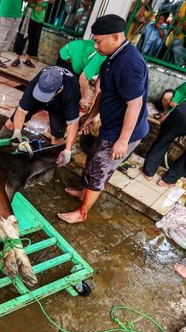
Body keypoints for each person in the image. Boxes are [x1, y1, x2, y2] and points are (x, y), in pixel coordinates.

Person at [58, 14, 149, 224]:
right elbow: (104, 91)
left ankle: (82, 213)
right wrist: (91, 116)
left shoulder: (130, 63)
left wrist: (123, 141)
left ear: (115, 37)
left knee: (100, 168)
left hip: (124, 131)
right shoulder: (112, 56)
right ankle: (84, 193)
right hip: (111, 125)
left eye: (99, 41)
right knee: (94, 159)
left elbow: (135, 105)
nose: (96, 46)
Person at [0, 66, 80, 154]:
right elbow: (21, 111)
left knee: (57, 136)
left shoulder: (71, 92)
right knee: (12, 122)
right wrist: (17, 130)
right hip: (35, 98)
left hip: (59, 106)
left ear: (59, 90)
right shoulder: (34, 84)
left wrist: (68, 150)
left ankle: (51, 159)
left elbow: (72, 123)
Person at [141, 81, 186, 187]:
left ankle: (148, 172)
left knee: (164, 140)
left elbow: (173, 101)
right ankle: (168, 180)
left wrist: (168, 113)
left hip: (182, 114)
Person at [56, 39, 106, 109]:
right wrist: (84, 98)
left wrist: (95, 99)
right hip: (68, 54)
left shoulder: (107, 61)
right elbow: (83, 79)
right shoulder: (102, 57)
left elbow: (99, 80)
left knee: (75, 91)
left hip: (78, 55)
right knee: (66, 91)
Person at [22, 0, 54, 68]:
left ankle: (27, 59)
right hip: (30, 13)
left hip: (40, 17)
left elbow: (52, 2)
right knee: (23, 35)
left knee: (35, 38)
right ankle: (17, 58)